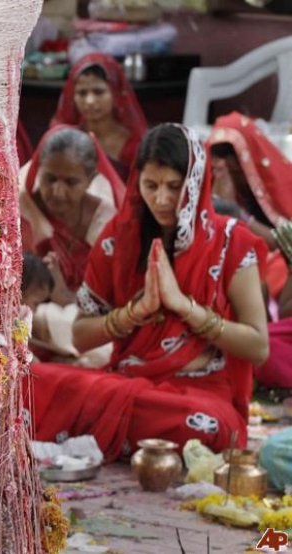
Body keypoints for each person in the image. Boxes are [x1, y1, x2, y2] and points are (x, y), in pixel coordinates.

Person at [28, 124, 268, 461]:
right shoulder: (118, 240)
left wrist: (185, 307)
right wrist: (133, 313)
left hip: (199, 395)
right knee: (31, 381)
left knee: (207, 426)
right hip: (125, 383)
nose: (161, 199)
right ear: (137, 182)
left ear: (197, 183)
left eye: (174, 186)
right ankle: (114, 432)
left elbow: (258, 346)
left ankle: (99, 432)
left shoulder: (232, 241)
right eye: (151, 185)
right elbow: (80, 337)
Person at [20, 126, 125, 365]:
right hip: (34, 313)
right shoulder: (23, 208)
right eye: (49, 179)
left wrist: (64, 295)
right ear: (38, 171)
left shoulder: (105, 219)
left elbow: (112, 299)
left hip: (89, 317)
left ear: (90, 179)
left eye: (71, 182)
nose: (57, 192)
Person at [208, 111, 292, 300]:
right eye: (216, 167)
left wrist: (237, 213)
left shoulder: (280, 181)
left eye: (230, 167)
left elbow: (286, 242)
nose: (222, 173)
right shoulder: (220, 186)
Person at [50, 53, 147, 182]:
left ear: (116, 93)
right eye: (82, 93)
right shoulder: (67, 139)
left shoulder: (134, 146)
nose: (89, 101)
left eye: (98, 92)